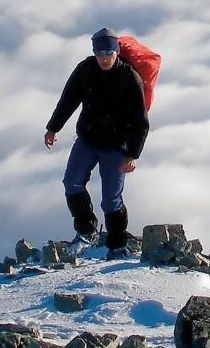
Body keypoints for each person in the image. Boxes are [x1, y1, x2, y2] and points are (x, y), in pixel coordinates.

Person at [44, 27, 149, 259]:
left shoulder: (130, 78)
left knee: (111, 199)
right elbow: (68, 99)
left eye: (108, 54)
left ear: (117, 51)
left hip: (116, 147)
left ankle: (117, 244)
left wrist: (133, 154)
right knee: (72, 182)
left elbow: (140, 121)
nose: (103, 58)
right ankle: (86, 231)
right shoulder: (85, 69)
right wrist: (53, 127)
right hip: (88, 140)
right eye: (99, 53)